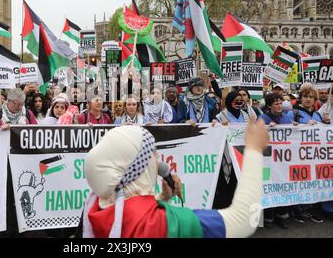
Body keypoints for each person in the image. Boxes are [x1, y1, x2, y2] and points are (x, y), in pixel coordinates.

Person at [77, 118, 270, 238]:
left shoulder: (97, 205)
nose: (158, 158)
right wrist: (253, 149)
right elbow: (244, 221)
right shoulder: (161, 222)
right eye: (151, 152)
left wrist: (163, 198)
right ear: (138, 168)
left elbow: (128, 216)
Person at [285, 83, 325, 224]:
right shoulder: (293, 113)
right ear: (300, 98)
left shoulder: (318, 114)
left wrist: (324, 125)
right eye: (305, 96)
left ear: (315, 100)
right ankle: (297, 210)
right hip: (297, 156)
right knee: (298, 182)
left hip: (314, 156)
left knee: (312, 182)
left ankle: (310, 209)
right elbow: (283, 132)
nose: (308, 99)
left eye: (311, 97)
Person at [258, 93, 292, 229]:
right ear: (269, 106)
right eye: (276, 103)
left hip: (282, 160)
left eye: (280, 103)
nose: (279, 106)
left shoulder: (285, 118)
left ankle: (281, 216)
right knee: (269, 187)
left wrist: (295, 127)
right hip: (268, 161)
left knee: (282, 186)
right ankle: (268, 217)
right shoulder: (263, 118)